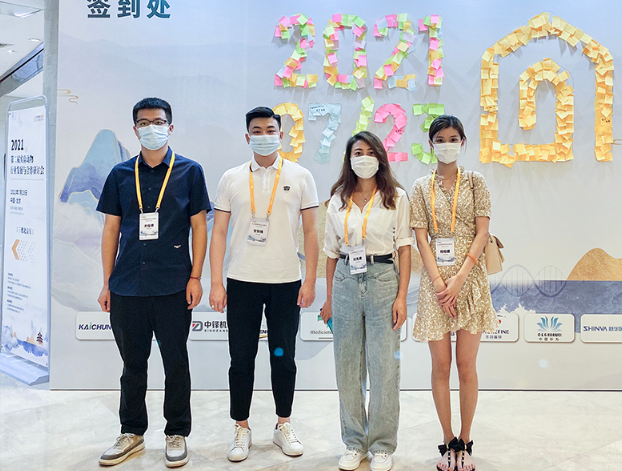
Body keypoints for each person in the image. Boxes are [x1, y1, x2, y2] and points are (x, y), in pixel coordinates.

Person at [96, 97, 210, 468]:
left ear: (170, 127)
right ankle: (132, 432)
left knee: (176, 363)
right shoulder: (119, 174)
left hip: (174, 284)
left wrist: (196, 276)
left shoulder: (190, 172)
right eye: (144, 123)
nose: (151, 128)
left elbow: (199, 227)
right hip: (127, 284)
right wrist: (106, 282)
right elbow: (111, 229)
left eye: (158, 122)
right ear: (135, 130)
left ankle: (176, 432)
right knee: (132, 365)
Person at [208, 107, 319, 463]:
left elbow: (311, 232)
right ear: (247, 137)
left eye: (271, 130)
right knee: (241, 358)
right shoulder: (231, 178)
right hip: (242, 281)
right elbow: (218, 232)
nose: (264, 136)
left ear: (281, 135)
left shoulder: (300, 176)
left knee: (283, 358)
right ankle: (241, 427)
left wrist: (310, 280)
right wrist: (216, 282)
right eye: (257, 131)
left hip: (286, 282)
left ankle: (283, 424)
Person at [410, 115, 497, 471]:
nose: (447, 144)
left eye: (453, 138)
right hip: (435, 286)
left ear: (462, 142)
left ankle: (466, 439)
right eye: (440, 139)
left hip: (470, 280)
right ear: (431, 144)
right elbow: (420, 237)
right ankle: (448, 441)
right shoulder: (420, 186)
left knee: (466, 366)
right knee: (441, 367)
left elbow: (482, 232)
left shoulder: (476, 182)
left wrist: (459, 279)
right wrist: (438, 282)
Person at [320, 131, 411, 471]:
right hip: (345, 279)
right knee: (347, 367)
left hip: (383, 278)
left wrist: (401, 296)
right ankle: (354, 443)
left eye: (371, 152)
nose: (364, 158)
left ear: (380, 158)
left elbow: (404, 248)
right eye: (358, 152)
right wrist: (329, 298)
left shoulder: (396, 197)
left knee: (384, 366)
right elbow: (331, 252)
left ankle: (383, 445)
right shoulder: (338, 198)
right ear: (349, 158)